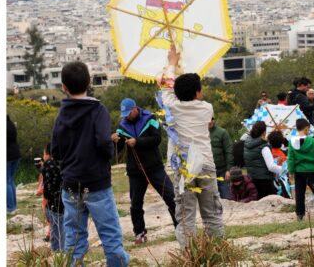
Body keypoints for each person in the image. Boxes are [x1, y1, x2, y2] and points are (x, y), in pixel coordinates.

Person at [51, 61, 129, 266]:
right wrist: (109, 153)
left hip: (70, 185)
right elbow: (103, 142)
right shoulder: (98, 110)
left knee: (74, 241)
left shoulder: (61, 115)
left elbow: (56, 150)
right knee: (111, 238)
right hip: (97, 183)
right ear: (89, 81)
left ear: (63, 87)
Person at [157, 45, 224, 248]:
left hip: (185, 168)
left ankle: (190, 254)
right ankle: (218, 252)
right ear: (198, 92)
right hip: (205, 163)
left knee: (186, 216)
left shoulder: (172, 107)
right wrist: (179, 65)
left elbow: (165, 85)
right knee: (211, 214)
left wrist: (172, 63)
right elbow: (171, 88)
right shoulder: (206, 108)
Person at [112, 98, 177, 245]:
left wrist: (137, 141)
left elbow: (156, 139)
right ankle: (139, 232)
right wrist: (115, 141)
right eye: (124, 114)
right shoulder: (122, 126)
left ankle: (179, 226)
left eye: (128, 113)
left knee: (170, 196)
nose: (127, 116)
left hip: (155, 167)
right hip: (135, 171)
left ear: (135, 109)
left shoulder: (151, 118)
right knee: (135, 203)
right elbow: (119, 149)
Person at [288, 118, 314, 220]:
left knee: (299, 194)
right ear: (306, 128)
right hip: (310, 171)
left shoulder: (291, 141)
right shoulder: (311, 141)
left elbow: (290, 158)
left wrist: (291, 171)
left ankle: (300, 214)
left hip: (298, 172)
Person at [243, 121, 282, 199]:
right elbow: (271, 166)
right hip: (264, 181)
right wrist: (284, 169)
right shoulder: (264, 147)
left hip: (251, 179)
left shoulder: (247, 144)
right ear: (264, 132)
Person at [41, 143, 65, 251]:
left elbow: (47, 186)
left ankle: (57, 251)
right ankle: (62, 250)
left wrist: (46, 201)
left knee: (56, 227)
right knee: (62, 226)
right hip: (64, 200)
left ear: (47, 154)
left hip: (53, 203)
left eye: (43, 153)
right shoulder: (63, 162)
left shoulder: (48, 164)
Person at [208, 117, 234, 200]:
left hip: (222, 171)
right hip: (207, 171)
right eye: (207, 119)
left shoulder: (222, 132)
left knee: (226, 196)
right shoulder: (200, 133)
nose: (210, 121)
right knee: (210, 199)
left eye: (212, 119)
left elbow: (229, 151)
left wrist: (229, 169)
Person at [7, 115, 21, 215]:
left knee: (6, 181)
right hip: (16, 154)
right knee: (10, 180)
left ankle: (10, 207)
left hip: (8, 156)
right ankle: (13, 205)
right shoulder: (11, 123)